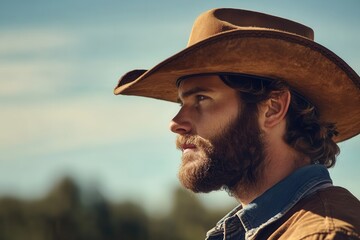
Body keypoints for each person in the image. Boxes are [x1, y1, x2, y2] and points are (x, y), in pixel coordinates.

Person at [114, 8, 360, 239]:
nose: (176, 123)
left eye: (201, 98)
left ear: (272, 109)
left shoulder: (323, 234)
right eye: (182, 103)